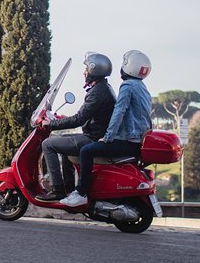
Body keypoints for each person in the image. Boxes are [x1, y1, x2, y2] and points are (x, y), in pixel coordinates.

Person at [61, 50, 153, 207]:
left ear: (128, 67)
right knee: (88, 149)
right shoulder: (141, 87)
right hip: (137, 141)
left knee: (86, 151)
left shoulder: (127, 86)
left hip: (128, 141)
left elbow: (119, 112)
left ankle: (81, 193)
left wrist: (108, 137)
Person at [35, 52, 116, 202]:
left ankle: (57, 189)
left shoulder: (98, 92)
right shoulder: (104, 88)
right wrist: (65, 119)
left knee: (48, 144)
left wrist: (51, 124)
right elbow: (88, 116)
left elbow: (79, 119)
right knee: (63, 142)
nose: (84, 72)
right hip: (96, 135)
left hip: (92, 139)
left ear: (94, 70)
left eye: (86, 69)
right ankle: (69, 188)